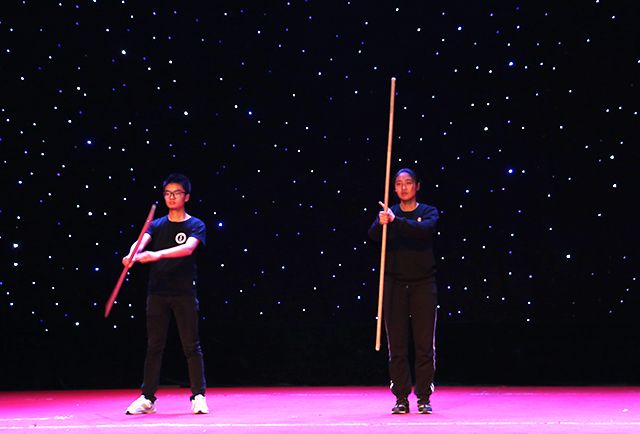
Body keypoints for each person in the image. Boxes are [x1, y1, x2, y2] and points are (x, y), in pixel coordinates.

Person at [123, 173, 209, 415]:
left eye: (177, 193)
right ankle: (147, 398)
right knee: (154, 346)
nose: (171, 197)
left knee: (191, 346)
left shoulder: (196, 225)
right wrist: (132, 254)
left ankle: (198, 396)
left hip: (184, 293)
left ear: (186, 197)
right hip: (157, 293)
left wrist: (156, 255)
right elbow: (141, 241)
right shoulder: (157, 224)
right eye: (167, 193)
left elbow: (188, 248)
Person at [368, 168, 439, 415]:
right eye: (399, 183)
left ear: (417, 186)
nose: (404, 187)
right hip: (394, 285)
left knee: (423, 344)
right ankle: (400, 397)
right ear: (394, 188)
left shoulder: (428, 212)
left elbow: (424, 231)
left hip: (423, 284)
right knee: (397, 345)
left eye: (408, 183)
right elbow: (373, 236)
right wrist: (381, 222)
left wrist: (395, 221)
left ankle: (423, 397)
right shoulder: (389, 213)